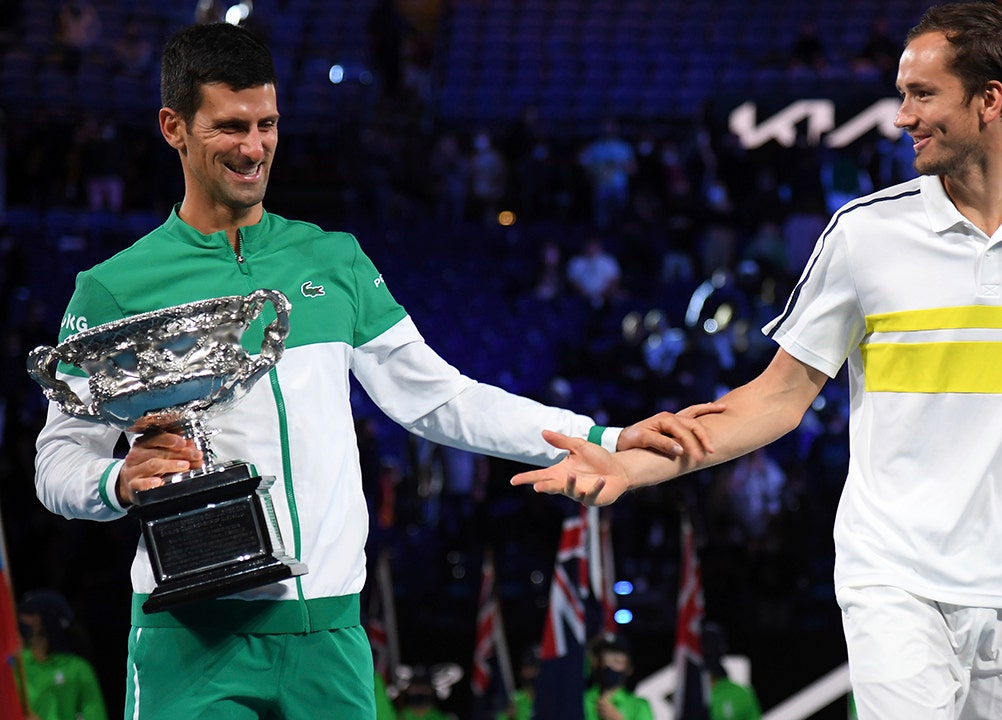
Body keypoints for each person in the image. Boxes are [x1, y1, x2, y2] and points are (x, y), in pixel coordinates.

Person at [512, 3, 1002, 718]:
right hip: (896, 579)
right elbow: (775, 398)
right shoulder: (864, 235)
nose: (901, 116)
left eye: (922, 94)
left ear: (989, 100)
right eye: (902, 93)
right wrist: (633, 466)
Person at [31, 22, 720, 720]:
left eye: (267, 124)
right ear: (173, 126)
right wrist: (115, 480)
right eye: (230, 126)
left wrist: (599, 437)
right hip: (190, 639)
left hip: (330, 639)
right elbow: (57, 460)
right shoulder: (113, 290)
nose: (254, 147)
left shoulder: (334, 261)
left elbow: (441, 399)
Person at [16, 590, 109, 720]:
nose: (22, 621)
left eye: (30, 616)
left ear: (42, 621)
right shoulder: (17, 666)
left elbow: (95, 716)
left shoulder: (78, 669)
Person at [583, 633, 652, 720]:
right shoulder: (581, 701)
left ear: (629, 668)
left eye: (617, 661)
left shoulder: (638, 706)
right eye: (603, 660)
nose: (608, 666)